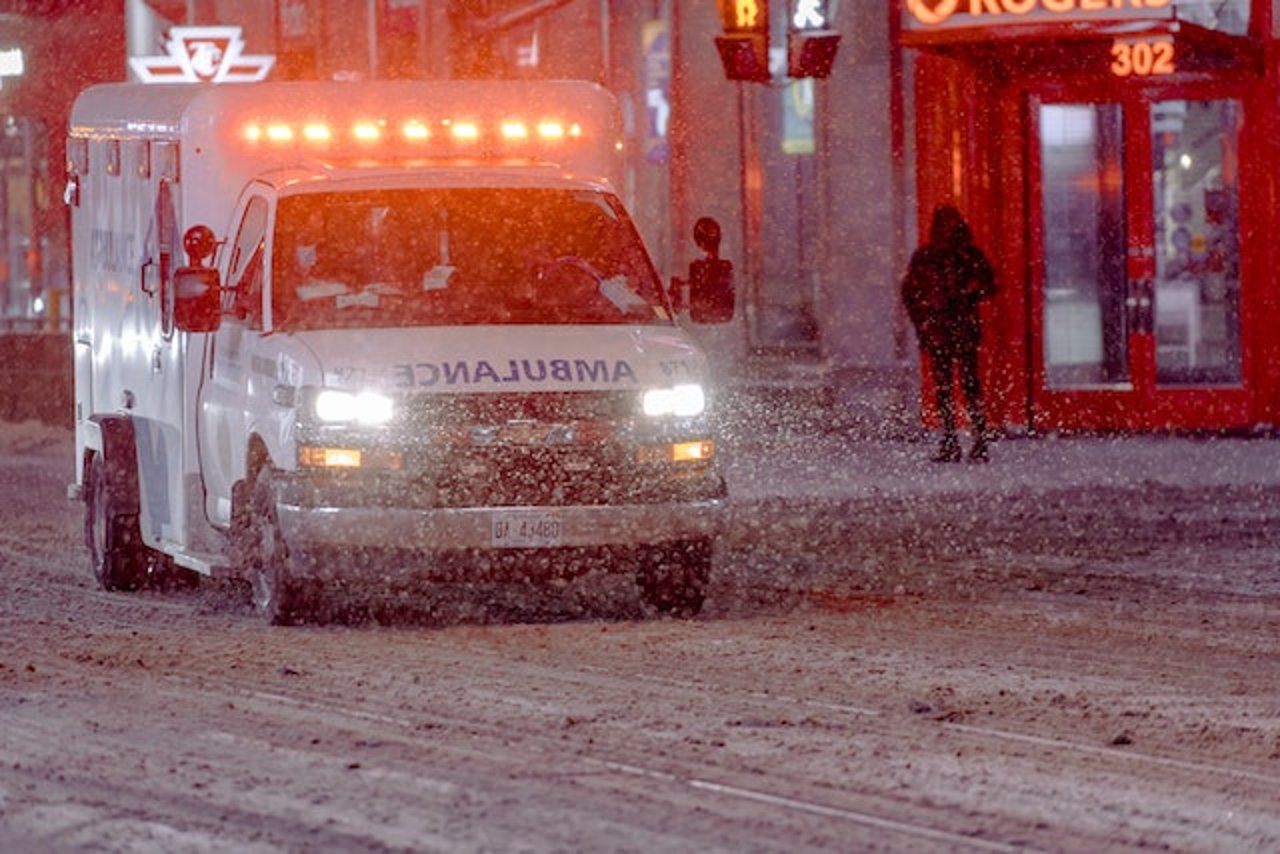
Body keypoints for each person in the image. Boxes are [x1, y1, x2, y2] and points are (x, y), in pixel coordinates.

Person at [902, 204, 997, 463]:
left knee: (954, 387)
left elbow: (910, 292)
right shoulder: (959, 255)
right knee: (963, 386)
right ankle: (969, 440)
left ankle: (958, 441)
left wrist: (926, 317)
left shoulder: (935, 256)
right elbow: (911, 292)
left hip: (945, 328)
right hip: (951, 328)